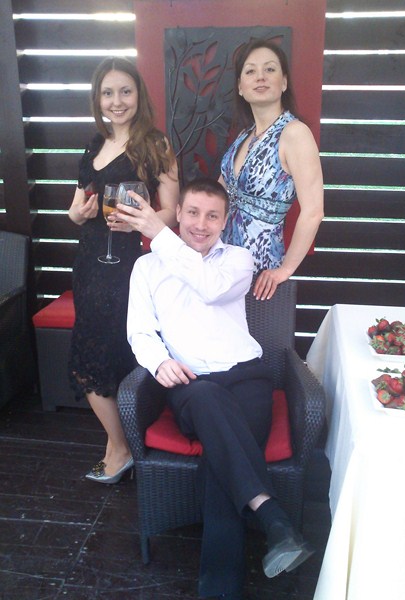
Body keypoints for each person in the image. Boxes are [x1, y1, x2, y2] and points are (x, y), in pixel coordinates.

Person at [125, 178, 313, 600]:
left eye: (213, 216)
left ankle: (219, 589)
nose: (201, 224)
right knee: (210, 404)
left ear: (226, 221)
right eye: (192, 212)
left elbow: (208, 288)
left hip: (248, 379)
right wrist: (159, 361)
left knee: (220, 456)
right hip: (192, 384)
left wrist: (159, 235)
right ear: (178, 213)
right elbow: (139, 330)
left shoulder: (239, 260)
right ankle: (274, 518)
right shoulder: (147, 267)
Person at [68, 57, 179, 484]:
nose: (117, 101)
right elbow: (76, 207)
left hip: (128, 267)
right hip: (89, 262)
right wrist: (77, 214)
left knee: (113, 353)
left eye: (125, 91)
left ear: (139, 95)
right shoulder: (94, 145)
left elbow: (172, 211)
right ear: (97, 98)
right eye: (108, 93)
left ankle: (122, 447)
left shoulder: (155, 145)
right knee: (91, 354)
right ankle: (121, 445)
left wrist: (141, 222)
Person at [219, 39, 324, 301]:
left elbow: (313, 211)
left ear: (284, 82)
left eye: (270, 69)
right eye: (250, 71)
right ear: (240, 87)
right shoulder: (244, 136)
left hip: (261, 272)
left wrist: (285, 269)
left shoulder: (294, 133)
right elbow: (219, 196)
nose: (260, 77)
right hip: (223, 265)